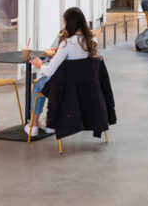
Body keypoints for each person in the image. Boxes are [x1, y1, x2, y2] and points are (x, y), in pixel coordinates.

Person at [26, 7, 99, 138]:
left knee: (40, 85)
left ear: (69, 24)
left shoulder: (67, 44)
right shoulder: (92, 41)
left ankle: (34, 125)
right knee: (51, 84)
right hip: (87, 86)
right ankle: (49, 125)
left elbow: (49, 71)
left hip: (66, 88)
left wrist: (39, 65)